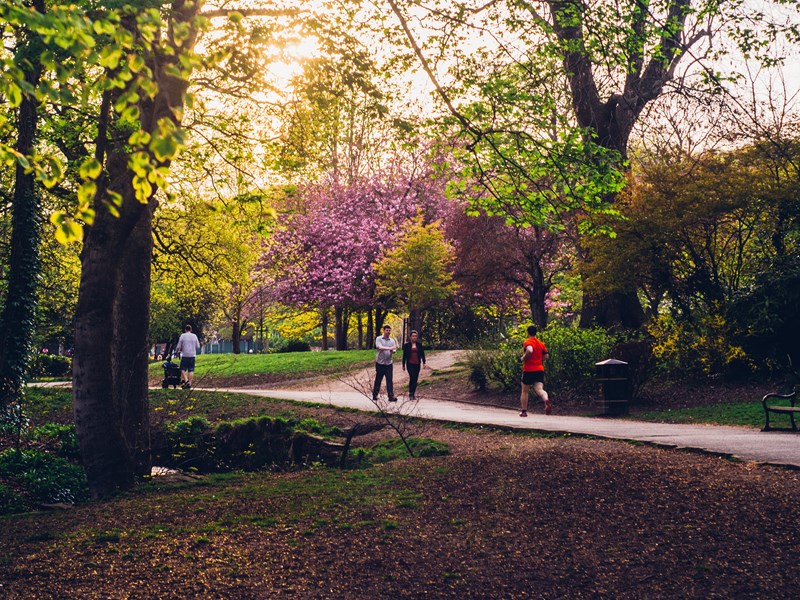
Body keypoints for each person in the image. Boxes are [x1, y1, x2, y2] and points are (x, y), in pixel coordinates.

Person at [520, 325, 550, 417]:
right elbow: (546, 356)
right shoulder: (541, 343)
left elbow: (529, 350)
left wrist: (523, 358)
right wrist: (538, 359)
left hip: (529, 369)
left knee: (525, 391)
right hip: (539, 369)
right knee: (539, 389)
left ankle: (524, 411)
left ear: (528, 332)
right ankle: (546, 400)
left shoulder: (528, 342)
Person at [373, 324, 398, 402]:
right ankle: (375, 395)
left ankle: (391, 396)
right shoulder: (379, 339)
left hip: (388, 363)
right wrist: (389, 348)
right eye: (387, 330)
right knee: (378, 379)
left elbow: (394, 349)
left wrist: (393, 351)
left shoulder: (392, 340)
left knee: (389, 380)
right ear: (383, 331)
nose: (388, 332)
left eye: (389, 330)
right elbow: (379, 347)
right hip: (380, 363)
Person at [402, 330, 427, 400]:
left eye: (415, 336)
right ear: (410, 337)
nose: (414, 337)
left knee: (415, 379)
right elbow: (404, 356)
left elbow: (422, 354)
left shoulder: (419, 345)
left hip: (417, 363)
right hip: (410, 364)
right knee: (412, 377)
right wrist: (403, 365)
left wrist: (424, 362)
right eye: (413, 336)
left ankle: (413, 393)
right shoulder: (407, 345)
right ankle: (410, 393)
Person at [175, 324, 201, 389]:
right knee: (191, 370)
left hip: (185, 355)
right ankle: (189, 384)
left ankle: (186, 380)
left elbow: (178, 346)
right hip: (192, 355)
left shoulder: (182, 336)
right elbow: (198, 346)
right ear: (191, 330)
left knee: (182, 369)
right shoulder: (194, 336)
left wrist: (177, 351)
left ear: (185, 330)